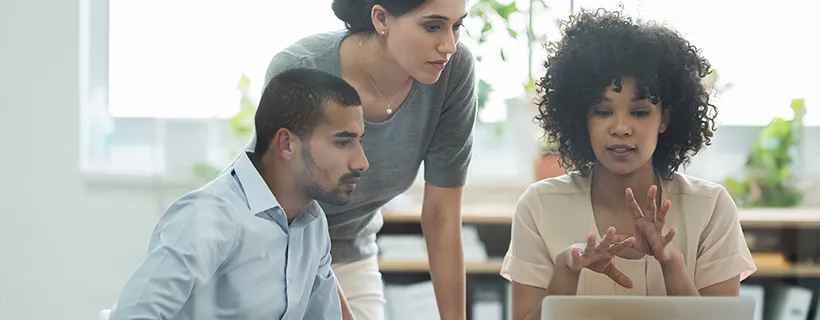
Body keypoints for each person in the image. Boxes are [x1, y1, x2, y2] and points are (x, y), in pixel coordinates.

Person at [500, 9, 757, 320]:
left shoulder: (711, 208)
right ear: (581, 118)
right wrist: (565, 273)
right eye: (603, 111)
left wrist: (671, 263)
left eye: (639, 112)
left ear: (665, 118)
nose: (620, 127)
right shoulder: (539, 207)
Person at [245, 0, 477, 318]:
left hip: (352, 250)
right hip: (268, 249)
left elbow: (441, 215)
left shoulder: (453, 73)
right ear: (381, 18)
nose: (449, 45)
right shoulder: (301, 67)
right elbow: (279, 213)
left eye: (457, 26)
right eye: (433, 26)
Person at [108, 68, 366, 320]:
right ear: (287, 143)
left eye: (359, 142)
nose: (362, 162)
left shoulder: (312, 223)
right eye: (343, 142)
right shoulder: (210, 216)